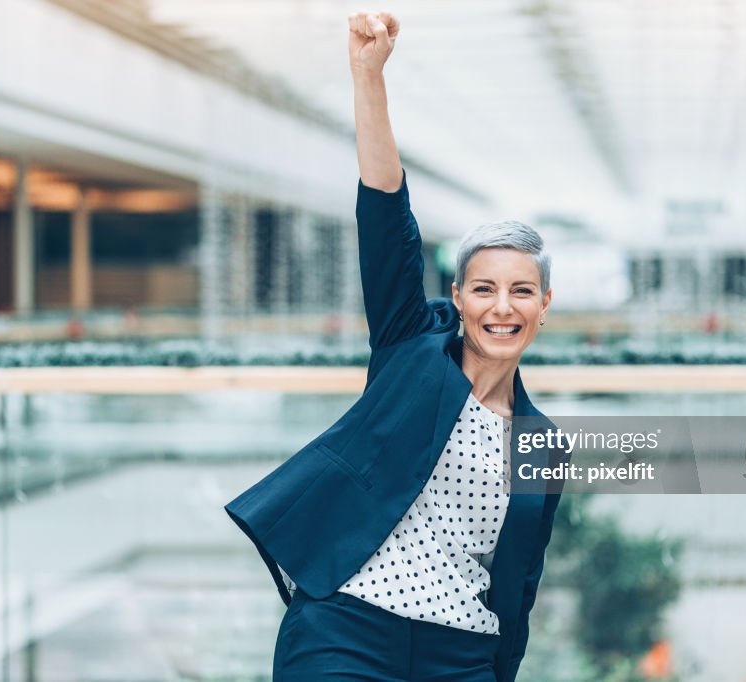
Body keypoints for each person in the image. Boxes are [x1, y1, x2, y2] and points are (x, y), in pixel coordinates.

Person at [224, 11, 565, 681]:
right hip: (348, 629)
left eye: (522, 291)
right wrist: (368, 78)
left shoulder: (541, 442)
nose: (502, 307)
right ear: (460, 297)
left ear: (544, 306)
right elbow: (384, 214)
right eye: (485, 289)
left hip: (461, 654)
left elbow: (519, 583)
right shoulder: (412, 350)